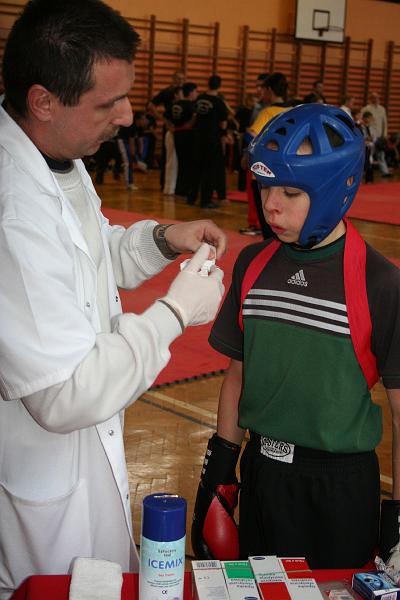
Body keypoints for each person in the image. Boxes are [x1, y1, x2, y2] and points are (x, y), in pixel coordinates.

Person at [0, 1, 227, 597]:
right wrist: (175, 312)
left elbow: (90, 251)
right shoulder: (12, 214)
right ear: (44, 101)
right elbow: (65, 394)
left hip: (82, 458)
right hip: (41, 467)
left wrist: (162, 238)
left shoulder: (57, 156)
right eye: (109, 104)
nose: (127, 117)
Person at [191, 104, 400, 570]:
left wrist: (399, 517)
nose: (270, 205)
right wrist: (218, 474)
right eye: (265, 186)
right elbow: (237, 377)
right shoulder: (253, 264)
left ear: (336, 189)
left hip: (340, 487)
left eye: (290, 191)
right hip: (262, 473)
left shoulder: (379, 282)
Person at [240, 72, 289, 238]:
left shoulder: (268, 112)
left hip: (263, 171)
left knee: (266, 218)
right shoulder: (292, 111)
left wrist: (246, 156)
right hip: (284, 172)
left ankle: (268, 248)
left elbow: (251, 136)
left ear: (269, 90)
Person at [187, 75, 228, 209]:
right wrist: (223, 136)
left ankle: (191, 197)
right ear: (220, 86)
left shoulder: (199, 98)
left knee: (196, 168)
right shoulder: (219, 102)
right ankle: (205, 200)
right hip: (212, 140)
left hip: (198, 137)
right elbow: (223, 123)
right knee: (209, 170)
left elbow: (195, 116)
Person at [361, 92, 392, 177]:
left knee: (381, 155)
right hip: (369, 136)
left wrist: (384, 134)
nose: (376, 99)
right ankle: (363, 173)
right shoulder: (366, 109)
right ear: (371, 99)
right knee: (367, 156)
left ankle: (385, 172)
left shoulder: (382, 109)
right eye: (374, 98)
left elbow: (384, 122)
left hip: (379, 136)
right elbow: (362, 121)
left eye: (377, 98)